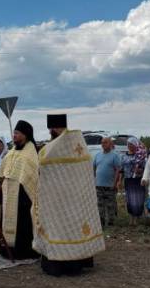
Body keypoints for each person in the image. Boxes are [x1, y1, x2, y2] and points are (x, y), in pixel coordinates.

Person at [36, 114, 105, 276]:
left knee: (62, 230)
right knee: (68, 229)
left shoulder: (51, 149)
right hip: (66, 200)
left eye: (52, 128)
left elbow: (42, 168)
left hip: (64, 200)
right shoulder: (78, 144)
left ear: (54, 128)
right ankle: (75, 263)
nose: (51, 131)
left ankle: (61, 265)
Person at [0, 121, 40, 260]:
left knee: (23, 223)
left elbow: (32, 174)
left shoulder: (31, 152)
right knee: (7, 221)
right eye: (14, 133)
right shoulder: (12, 152)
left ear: (25, 135)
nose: (14, 136)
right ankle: (6, 250)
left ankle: (24, 251)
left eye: (17, 133)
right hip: (8, 192)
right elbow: (3, 171)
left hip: (24, 196)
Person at [92, 136, 122, 227]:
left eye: (105, 142)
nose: (103, 144)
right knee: (100, 205)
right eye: (102, 142)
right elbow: (94, 168)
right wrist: (95, 180)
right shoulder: (97, 155)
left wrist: (115, 183)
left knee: (110, 205)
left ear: (110, 144)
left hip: (110, 185)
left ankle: (111, 222)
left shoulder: (115, 156)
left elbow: (118, 170)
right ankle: (101, 222)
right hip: (99, 185)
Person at [120, 137, 148, 225]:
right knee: (129, 199)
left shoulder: (140, 155)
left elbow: (145, 168)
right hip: (128, 180)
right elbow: (122, 169)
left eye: (131, 144)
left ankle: (137, 218)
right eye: (128, 144)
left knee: (138, 199)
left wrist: (140, 171)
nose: (129, 146)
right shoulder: (124, 155)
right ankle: (131, 218)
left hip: (138, 180)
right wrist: (119, 180)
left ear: (135, 145)